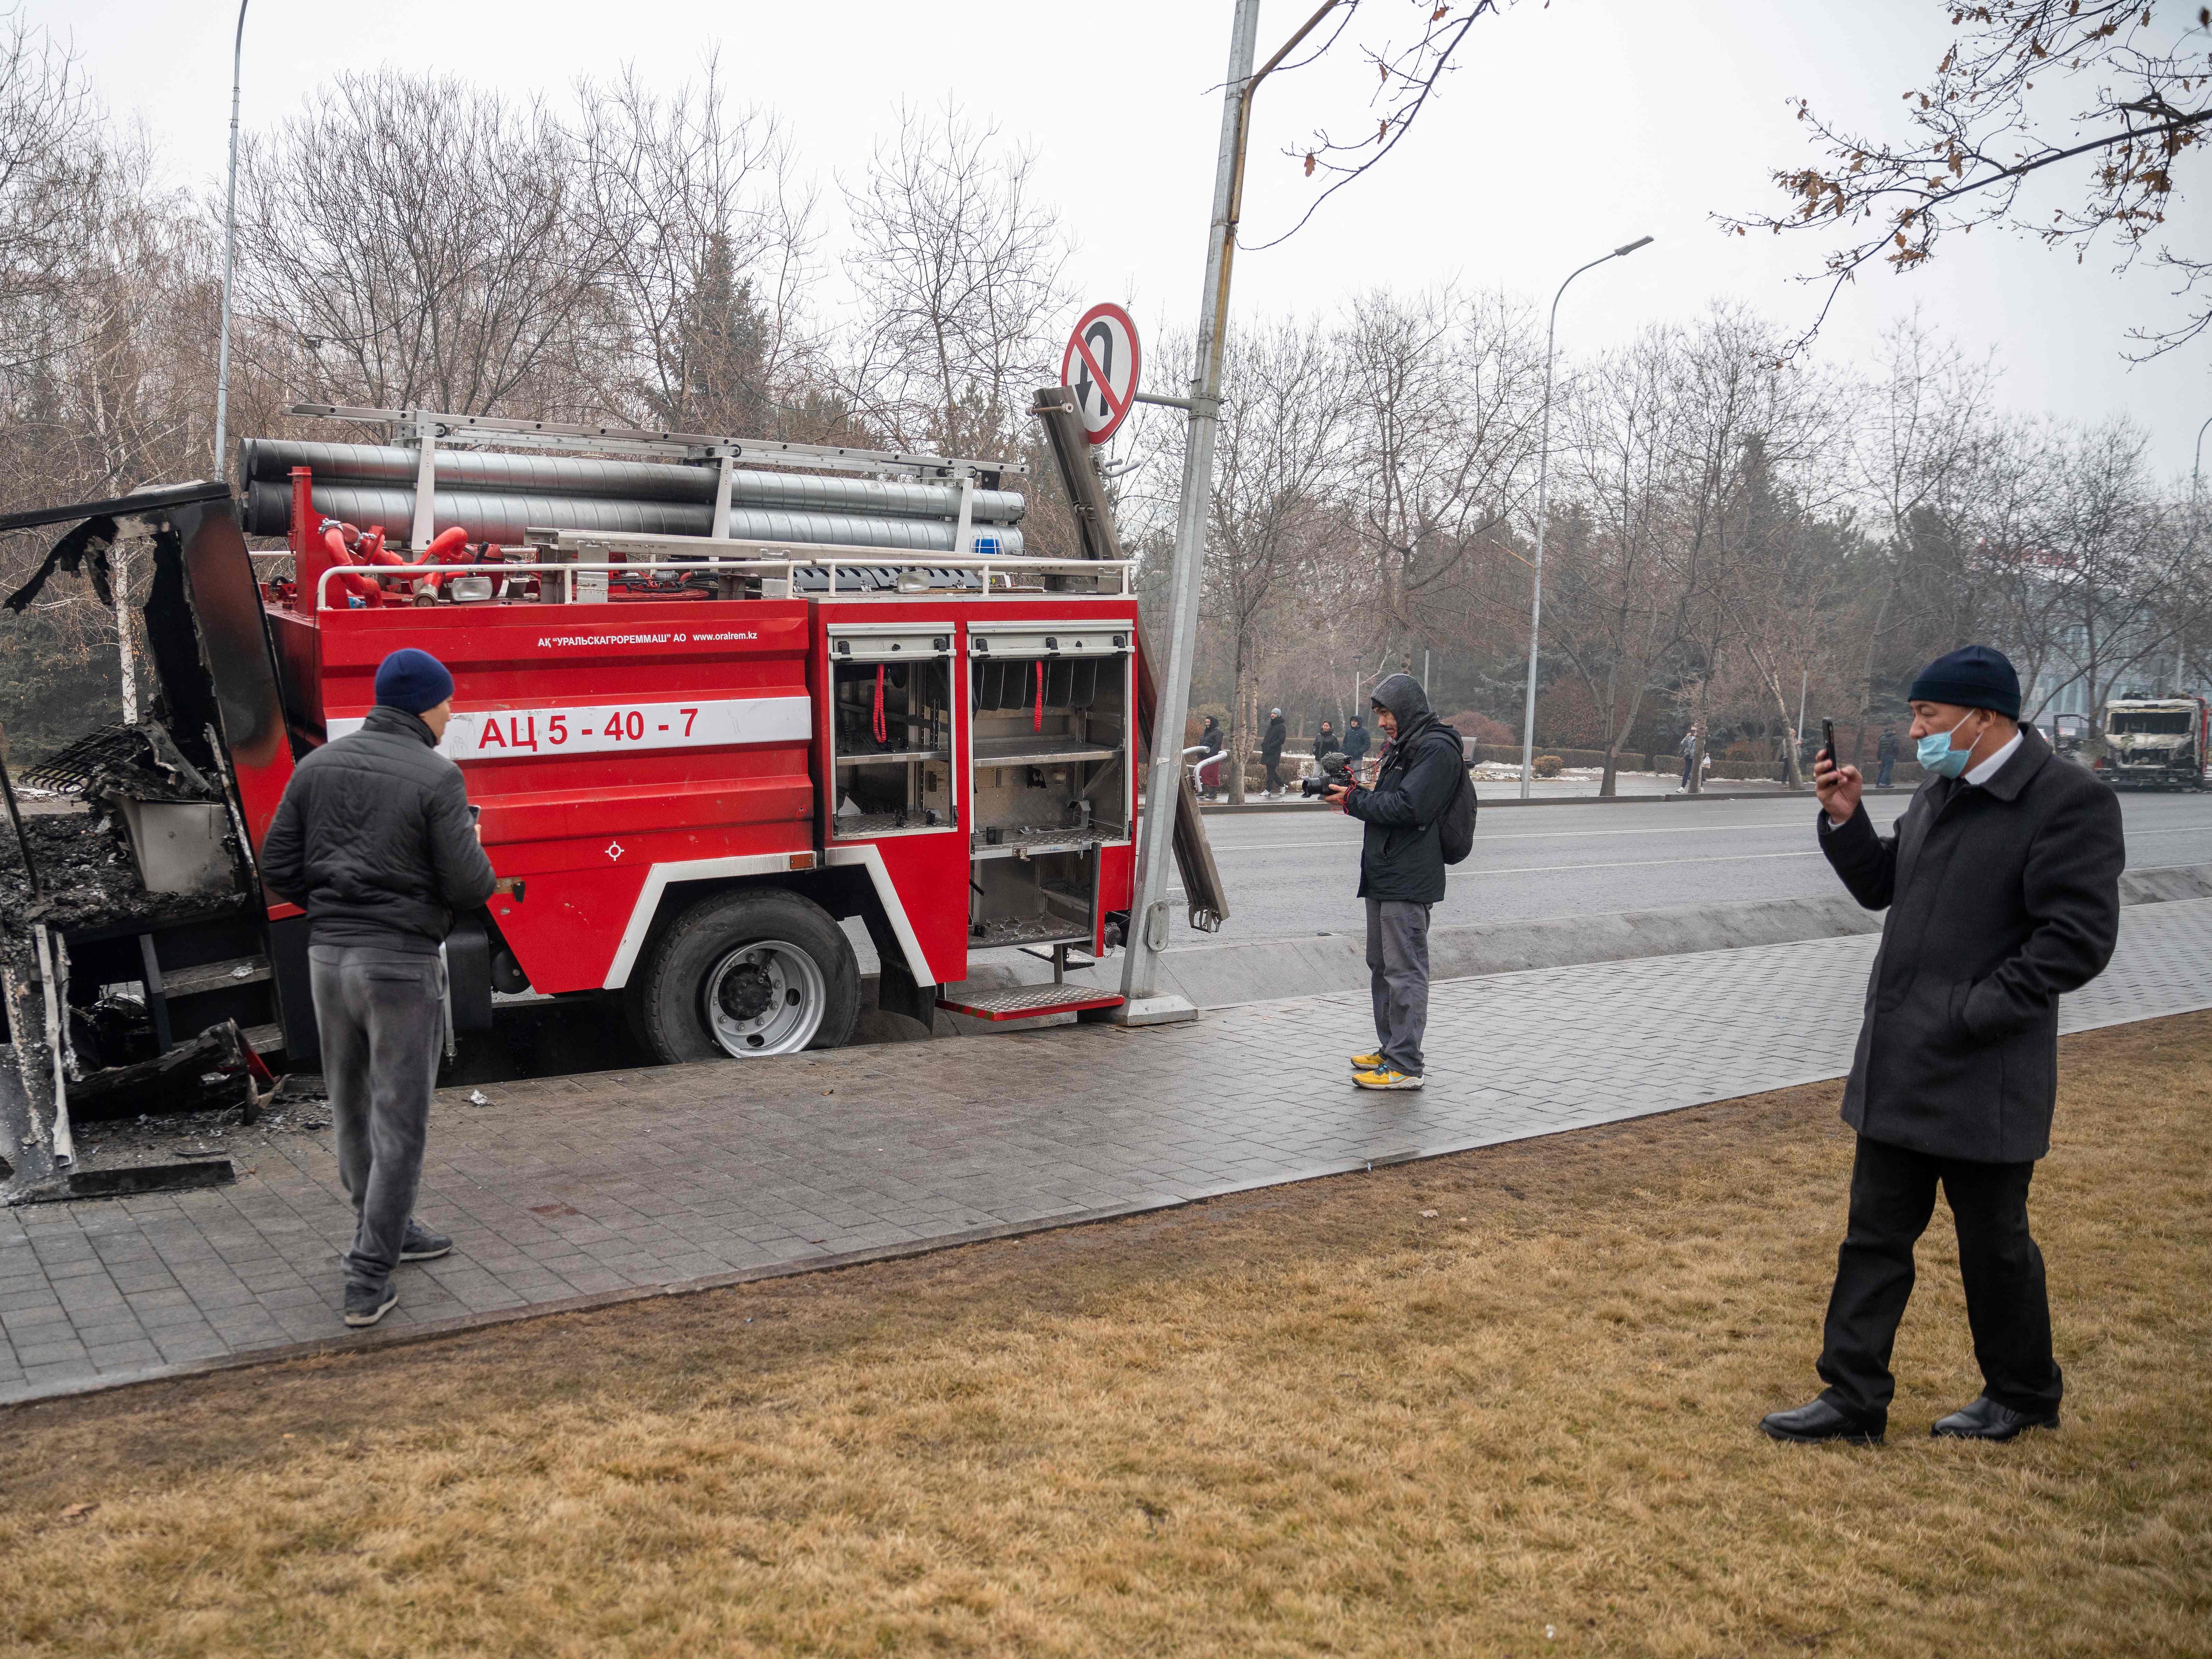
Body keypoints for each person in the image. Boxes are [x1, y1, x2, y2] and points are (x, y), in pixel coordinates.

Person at [1761, 645, 2125, 1446]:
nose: (1916, 728)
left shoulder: (2070, 800)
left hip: (1983, 1068)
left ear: (1984, 717)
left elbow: (2078, 937)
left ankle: (2023, 1391)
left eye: (1928, 715)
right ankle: (1852, 1398)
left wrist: (1973, 1011)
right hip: (1900, 1062)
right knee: (1873, 1236)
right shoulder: (1942, 790)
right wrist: (1847, 819)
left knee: (1994, 1246)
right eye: (1918, 714)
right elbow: (1886, 884)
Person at [260, 648, 497, 1329]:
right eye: (447, 702)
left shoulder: (316, 767)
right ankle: (367, 1278)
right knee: (400, 1123)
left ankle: (388, 1230)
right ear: (425, 703)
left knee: (352, 1108)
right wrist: (472, 843)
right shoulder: (437, 777)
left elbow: (277, 866)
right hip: (397, 967)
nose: (452, 713)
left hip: (328, 961)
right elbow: (470, 885)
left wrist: (337, 903)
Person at [1321, 673, 1464, 1092]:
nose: (1382, 722)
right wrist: (1356, 795)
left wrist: (1352, 801)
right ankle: (1390, 1050)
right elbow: (1389, 799)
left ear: (1406, 708)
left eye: (1386, 713)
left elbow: (1409, 808)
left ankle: (1405, 1065)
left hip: (1408, 877)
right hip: (1385, 871)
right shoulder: (1406, 747)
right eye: (1380, 714)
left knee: (1405, 971)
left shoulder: (1436, 748)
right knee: (1382, 966)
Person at [1196, 714, 1225, 799]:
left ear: (1212, 723)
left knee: (1213, 775)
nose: (1207, 724)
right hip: (1204, 757)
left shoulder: (1218, 733)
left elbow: (1217, 744)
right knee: (1202, 774)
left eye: (1209, 722)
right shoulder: (1206, 732)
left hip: (1213, 758)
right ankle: (1202, 792)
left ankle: (1213, 793)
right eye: (1206, 722)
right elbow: (1202, 743)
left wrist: (1211, 755)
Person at [1261, 707, 1289, 797]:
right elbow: (1267, 737)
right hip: (1267, 751)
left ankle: (1268, 790)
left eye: (1275, 714)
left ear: (1279, 715)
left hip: (1275, 752)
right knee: (1271, 772)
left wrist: (1271, 746)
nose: (1272, 715)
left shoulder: (1281, 726)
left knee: (1271, 772)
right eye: (1272, 713)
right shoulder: (1271, 725)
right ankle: (1282, 785)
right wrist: (1264, 745)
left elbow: (1282, 740)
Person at [1342, 714, 1372, 784]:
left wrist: (1359, 752)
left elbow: (1367, 744)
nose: (1353, 723)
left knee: (1356, 777)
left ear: (1359, 723)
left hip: (1357, 758)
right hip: (1347, 758)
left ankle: (1357, 790)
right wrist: (1343, 750)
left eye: (1355, 721)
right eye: (1352, 721)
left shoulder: (1364, 732)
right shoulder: (1348, 731)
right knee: (1347, 776)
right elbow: (1344, 743)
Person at [1678, 722, 1702, 791]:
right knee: (1687, 772)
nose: (1693, 732)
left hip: (1696, 758)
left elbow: (1703, 745)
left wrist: (1698, 737)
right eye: (1692, 730)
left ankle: (1701, 786)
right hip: (1688, 757)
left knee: (1698, 773)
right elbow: (1683, 744)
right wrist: (1687, 738)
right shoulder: (1688, 737)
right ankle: (1682, 787)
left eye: (1695, 731)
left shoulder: (1700, 738)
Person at [1875, 724, 1899, 789]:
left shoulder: (1882, 738)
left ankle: (1883, 784)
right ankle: (1882, 784)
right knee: (1887, 770)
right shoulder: (1895, 737)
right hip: (1890, 756)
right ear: (1893, 731)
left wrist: (1879, 759)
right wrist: (1896, 755)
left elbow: (1879, 750)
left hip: (1883, 756)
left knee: (1883, 770)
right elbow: (1896, 748)